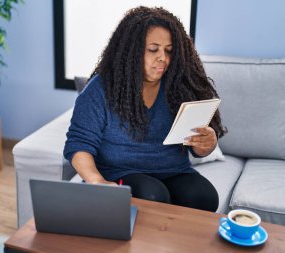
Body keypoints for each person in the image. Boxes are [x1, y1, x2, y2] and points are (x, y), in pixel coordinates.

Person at [63, 6, 227, 212]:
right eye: (153, 49)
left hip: (173, 171)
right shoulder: (101, 89)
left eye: (168, 50)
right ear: (130, 51)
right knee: (151, 195)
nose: (163, 58)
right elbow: (78, 144)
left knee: (204, 196)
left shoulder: (181, 85)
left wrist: (206, 144)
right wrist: (96, 181)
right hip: (118, 172)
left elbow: (197, 148)